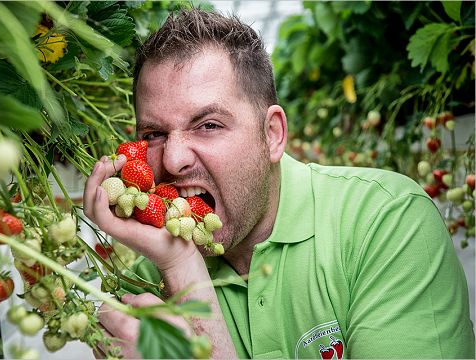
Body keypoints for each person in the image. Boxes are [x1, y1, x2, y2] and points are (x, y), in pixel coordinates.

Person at [83, 8, 475, 359]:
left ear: (272, 134)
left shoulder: (384, 220)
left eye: (208, 125)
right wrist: (180, 263)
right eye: (153, 133)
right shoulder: (148, 280)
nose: (172, 158)